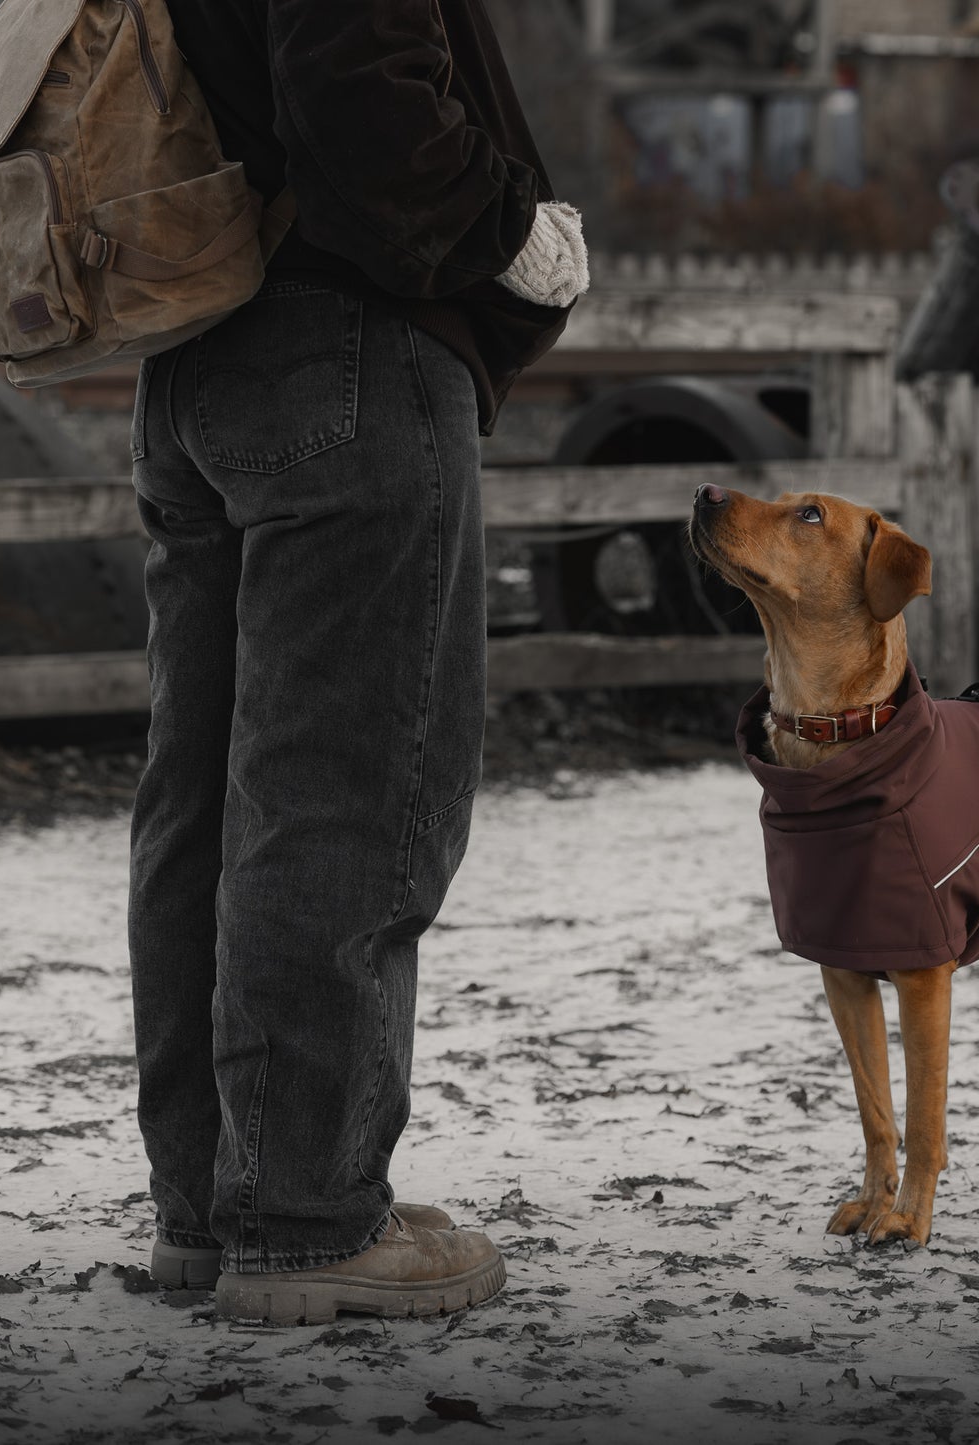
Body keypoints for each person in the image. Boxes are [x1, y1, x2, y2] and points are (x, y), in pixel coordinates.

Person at [127, 0, 585, 1326]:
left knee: (204, 802)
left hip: (198, 348)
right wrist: (514, 236)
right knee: (346, 792)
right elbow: (361, 89)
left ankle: (215, 1210)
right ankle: (306, 1220)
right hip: (346, 351)